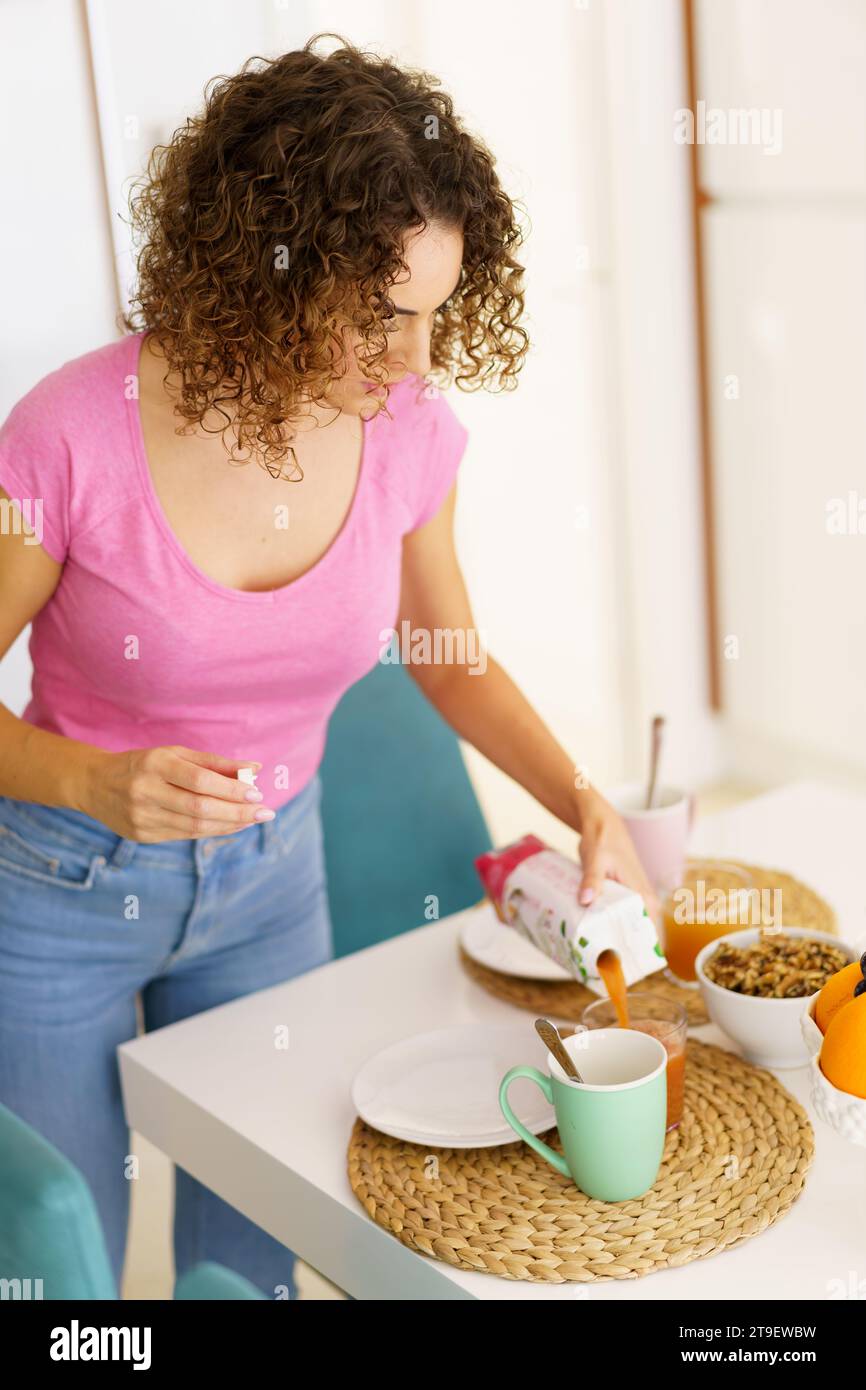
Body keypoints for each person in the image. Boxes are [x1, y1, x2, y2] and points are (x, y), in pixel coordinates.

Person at [0, 36, 655, 1297]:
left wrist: (577, 796)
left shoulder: (406, 431)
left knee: (250, 1249)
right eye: (378, 315)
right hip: (57, 884)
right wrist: (92, 784)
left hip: (269, 881)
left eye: (430, 317)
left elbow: (446, 655)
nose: (411, 362)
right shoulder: (67, 437)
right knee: (59, 1269)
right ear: (264, 264)